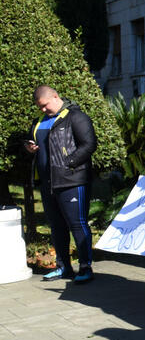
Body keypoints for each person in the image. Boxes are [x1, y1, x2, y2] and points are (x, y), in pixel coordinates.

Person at [25, 85, 97, 284]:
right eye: (39, 107)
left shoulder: (76, 116)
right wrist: (30, 148)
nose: (42, 110)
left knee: (77, 224)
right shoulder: (38, 122)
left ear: (55, 97)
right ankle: (63, 267)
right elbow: (35, 144)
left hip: (73, 180)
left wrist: (69, 163)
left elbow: (89, 144)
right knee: (56, 227)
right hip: (48, 183)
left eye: (45, 105)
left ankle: (85, 268)